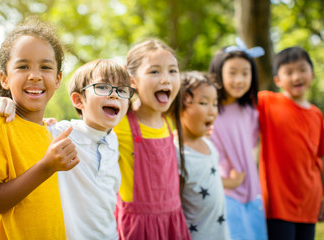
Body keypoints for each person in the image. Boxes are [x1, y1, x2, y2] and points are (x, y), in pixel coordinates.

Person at [0, 59, 133, 239]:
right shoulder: (61, 133)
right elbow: (25, 124)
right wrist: (7, 104)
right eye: (103, 87)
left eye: (121, 90)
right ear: (78, 100)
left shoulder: (114, 139)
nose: (115, 95)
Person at [0, 17, 79, 240]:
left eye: (45, 67)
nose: (35, 75)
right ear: (4, 78)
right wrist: (46, 166)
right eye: (22, 66)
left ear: (58, 79)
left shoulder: (50, 130)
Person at [113, 39, 191, 239]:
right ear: (132, 80)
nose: (166, 79)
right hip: (137, 227)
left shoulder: (170, 122)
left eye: (172, 71)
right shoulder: (118, 123)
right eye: (154, 71)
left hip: (172, 222)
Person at [257, 47, 324, 240]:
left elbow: (319, 159)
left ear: (312, 73)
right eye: (289, 72)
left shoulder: (317, 115)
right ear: (278, 80)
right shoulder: (267, 102)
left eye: (302, 69)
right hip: (278, 203)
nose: (297, 76)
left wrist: (322, 199)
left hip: (310, 202)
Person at [208, 37, 268, 240]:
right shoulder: (211, 110)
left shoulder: (250, 110)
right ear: (219, 73)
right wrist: (226, 181)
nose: (239, 80)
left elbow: (252, 146)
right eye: (232, 73)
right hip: (226, 193)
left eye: (245, 73)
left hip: (253, 192)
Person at [175, 71, 230, 240]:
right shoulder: (175, 152)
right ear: (180, 107)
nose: (212, 111)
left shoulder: (210, 146)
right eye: (204, 103)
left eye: (214, 104)